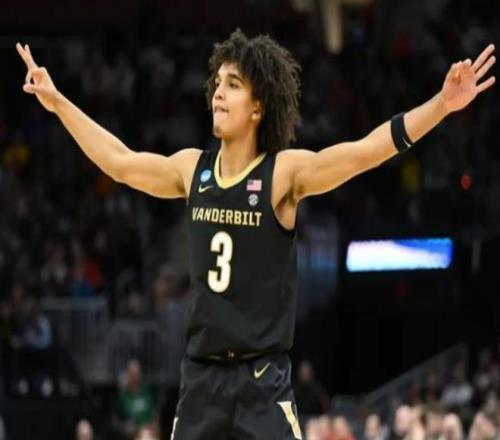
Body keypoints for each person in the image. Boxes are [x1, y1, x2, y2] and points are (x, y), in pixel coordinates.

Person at [16, 28, 495, 439]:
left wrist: (442, 105)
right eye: (217, 83)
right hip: (201, 378)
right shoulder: (192, 170)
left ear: (258, 107)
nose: (218, 94)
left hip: (261, 381)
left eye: (233, 84)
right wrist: (58, 103)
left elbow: (365, 151)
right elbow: (119, 162)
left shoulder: (281, 175)